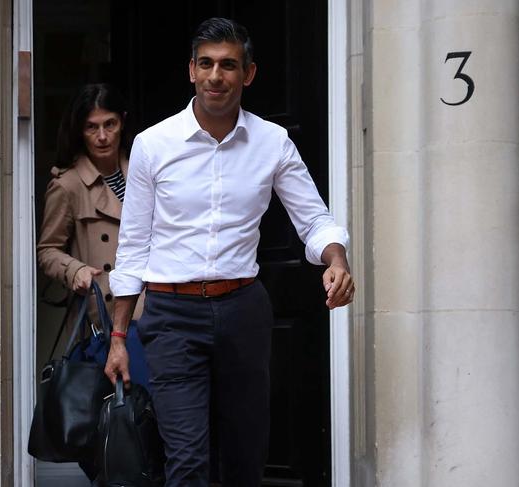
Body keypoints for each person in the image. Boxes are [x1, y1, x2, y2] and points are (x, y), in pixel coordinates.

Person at [105, 17, 354, 487]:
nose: (216, 75)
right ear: (191, 71)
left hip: (243, 310)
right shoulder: (152, 145)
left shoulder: (272, 142)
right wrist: (118, 338)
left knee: (245, 455)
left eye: (228, 65)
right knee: (187, 458)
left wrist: (336, 260)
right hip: (171, 314)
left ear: (249, 73)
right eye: (206, 64)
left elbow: (314, 219)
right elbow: (134, 245)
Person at [37, 83, 144, 324]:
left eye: (110, 124)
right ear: (79, 131)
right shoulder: (68, 185)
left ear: (122, 122)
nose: (102, 136)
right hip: (104, 314)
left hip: (153, 311)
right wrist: (74, 270)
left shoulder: (144, 172)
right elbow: (47, 250)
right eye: (91, 128)